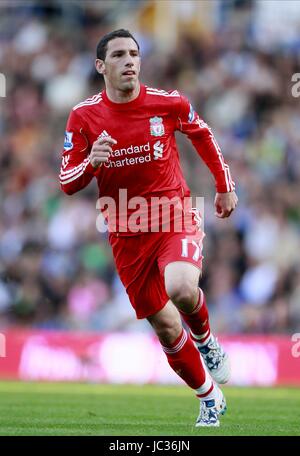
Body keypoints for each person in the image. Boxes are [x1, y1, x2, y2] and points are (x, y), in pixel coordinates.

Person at [59, 29, 238, 427]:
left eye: (135, 54)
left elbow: (203, 135)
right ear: (101, 66)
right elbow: (66, 182)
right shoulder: (83, 115)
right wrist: (92, 162)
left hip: (174, 213)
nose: (129, 61)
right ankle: (209, 397)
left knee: (181, 288)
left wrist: (224, 186)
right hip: (126, 229)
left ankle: (207, 342)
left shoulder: (167, 102)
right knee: (165, 325)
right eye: (119, 55)